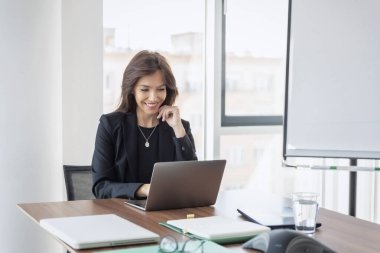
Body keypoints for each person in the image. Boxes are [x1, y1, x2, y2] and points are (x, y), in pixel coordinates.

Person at [92, 50, 197, 199]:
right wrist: (144, 189)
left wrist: (178, 129)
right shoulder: (110, 125)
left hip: (166, 213)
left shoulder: (179, 127)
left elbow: (191, 181)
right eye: (144, 89)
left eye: (160, 89)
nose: (153, 97)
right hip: (122, 215)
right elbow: (101, 187)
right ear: (132, 89)